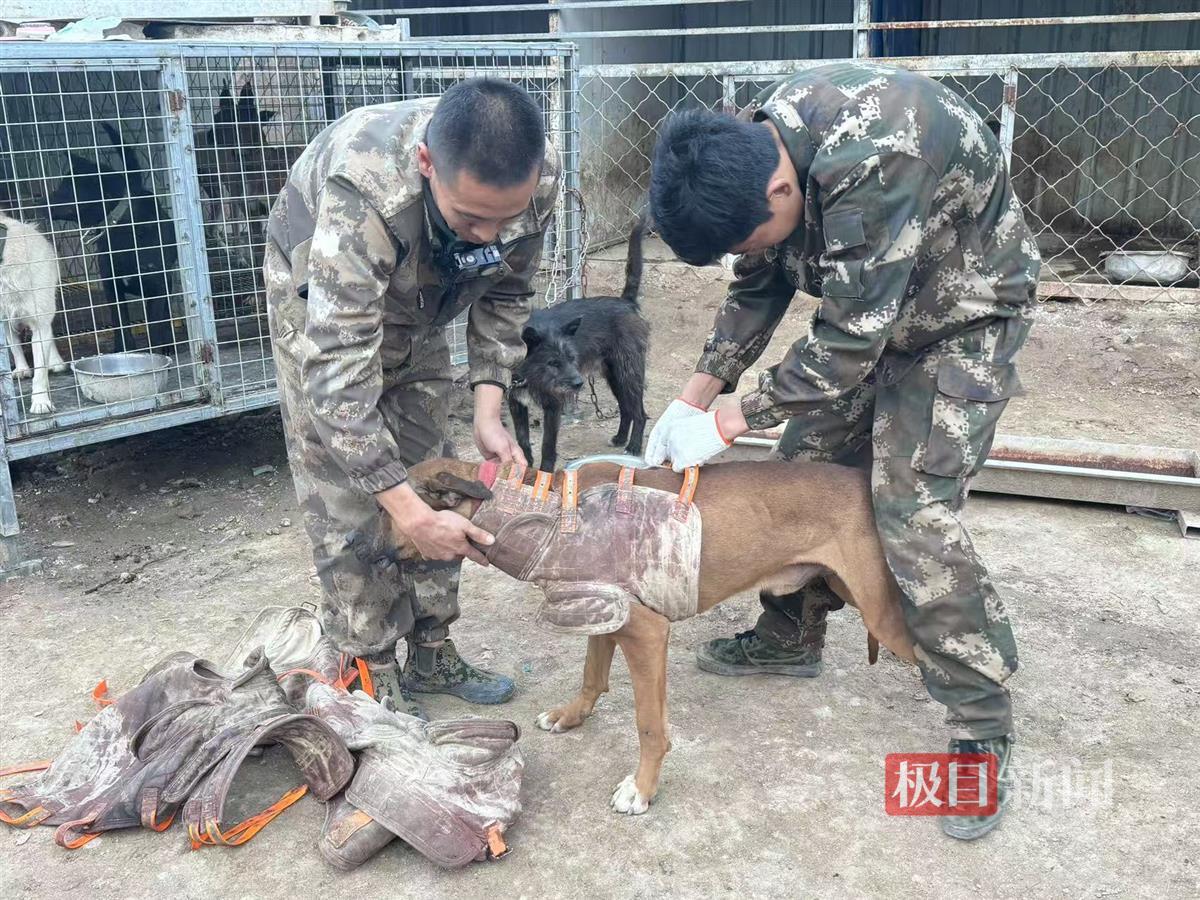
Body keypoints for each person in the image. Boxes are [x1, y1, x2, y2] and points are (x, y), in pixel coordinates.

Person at [645, 61, 1039, 840]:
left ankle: (980, 718)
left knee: (908, 506)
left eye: (746, 236)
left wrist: (729, 420)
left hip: (963, 316)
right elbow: (759, 283)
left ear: (780, 194)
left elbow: (849, 342)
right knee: (805, 466)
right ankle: (790, 633)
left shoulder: (880, 149)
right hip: (878, 310)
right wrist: (695, 391)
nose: (747, 250)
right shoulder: (758, 146)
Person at [263, 78, 560, 718]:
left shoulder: (532, 180)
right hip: (324, 311)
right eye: (472, 219)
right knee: (349, 498)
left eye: (504, 219)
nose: (489, 235)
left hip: (420, 307)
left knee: (439, 477)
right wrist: (401, 508)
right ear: (427, 165)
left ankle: (432, 648)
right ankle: (367, 667)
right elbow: (339, 379)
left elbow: (507, 292)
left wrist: (488, 404)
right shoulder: (364, 190)